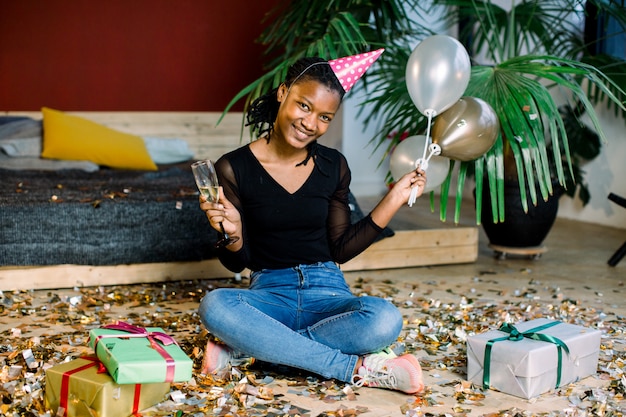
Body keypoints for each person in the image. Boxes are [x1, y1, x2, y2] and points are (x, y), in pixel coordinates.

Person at [197, 49, 427, 394]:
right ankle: (355, 368)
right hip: (270, 295)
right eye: (304, 105)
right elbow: (238, 261)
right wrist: (233, 233)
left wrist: (393, 198)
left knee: (385, 318)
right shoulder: (233, 167)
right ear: (283, 92)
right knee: (214, 306)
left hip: (329, 295)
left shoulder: (334, 165)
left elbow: (341, 248)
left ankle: (251, 349)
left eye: (325, 117)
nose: (310, 123)